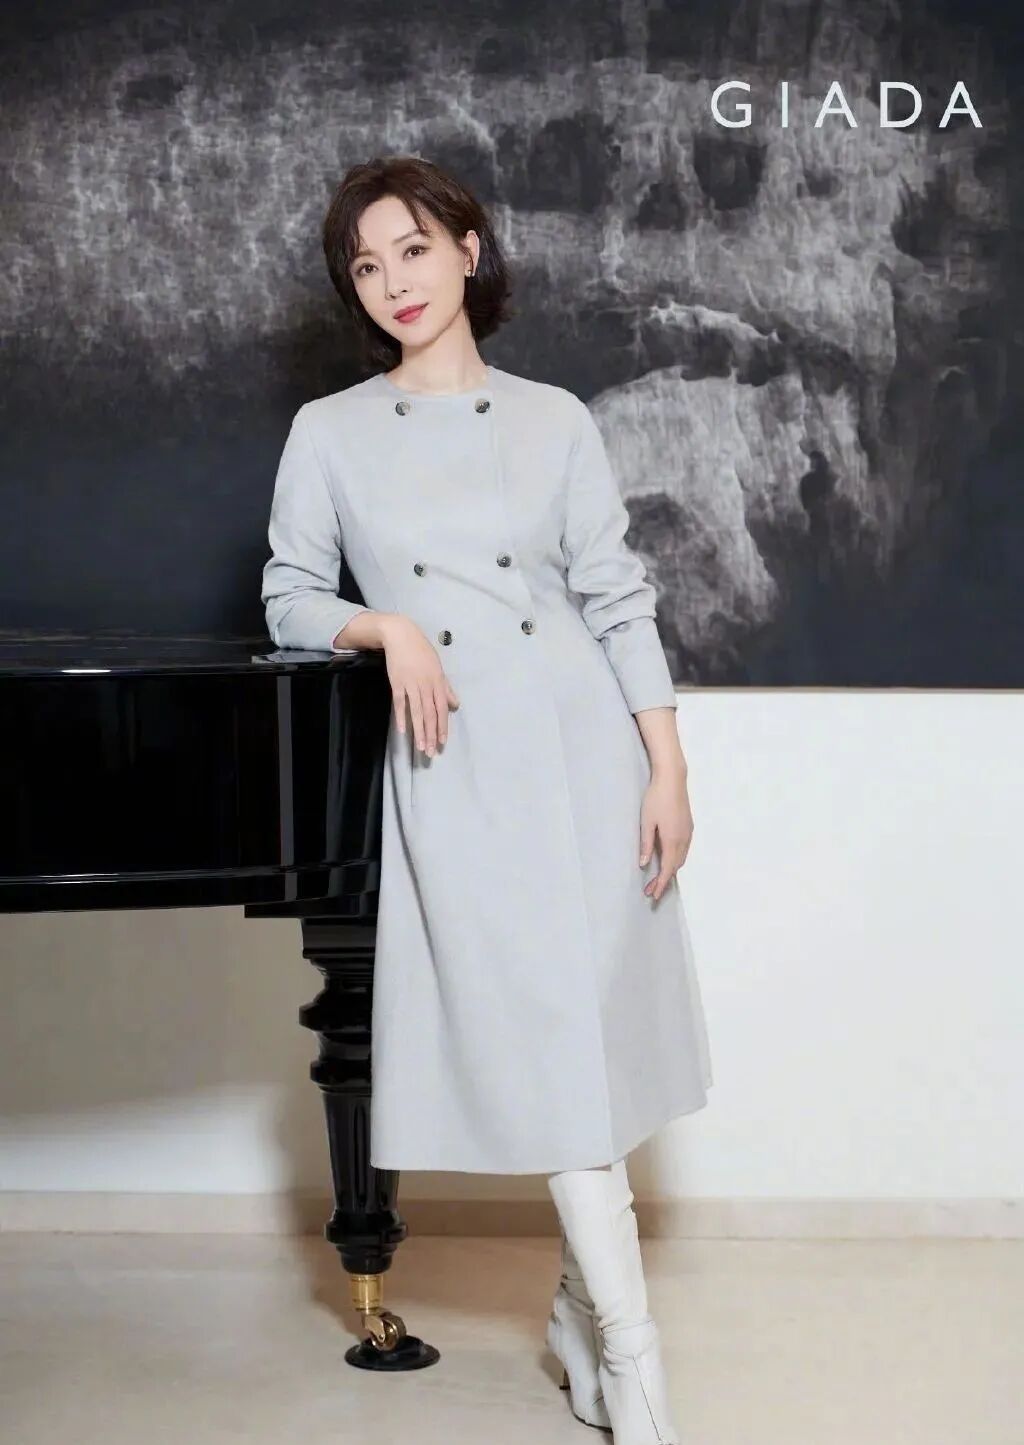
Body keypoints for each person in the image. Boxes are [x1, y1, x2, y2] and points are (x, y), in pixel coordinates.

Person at [261, 154, 713, 1444]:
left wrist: (667, 766)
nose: (393, 282)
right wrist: (387, 626)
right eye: (366, 266)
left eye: (413, 249)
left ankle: (581, 1318)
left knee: (595, 1046)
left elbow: (615, 596)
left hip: (585, 751)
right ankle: (633, 1361)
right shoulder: (331, 432)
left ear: (468, 248)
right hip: (457, 768)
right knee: (554, 1046)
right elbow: (289, 595)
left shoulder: (555, 417)